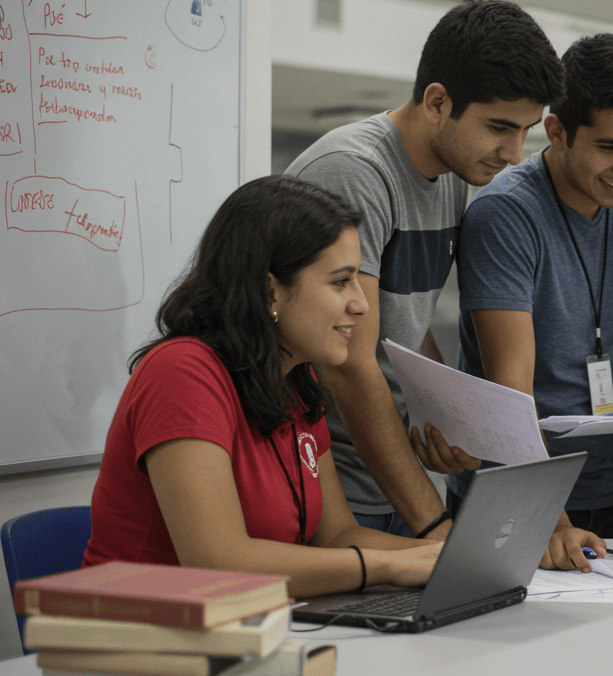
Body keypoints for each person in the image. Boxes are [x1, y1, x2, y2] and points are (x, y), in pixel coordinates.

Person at [285, 0, 565, 539]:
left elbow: (402, 328)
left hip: (392, 482)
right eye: (499, 128)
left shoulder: (457, 174)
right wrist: (434, 523)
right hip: (331, 492)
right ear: (437, 101)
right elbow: (350, 367)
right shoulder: (354, 172)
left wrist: (443, 416)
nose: (513, 152)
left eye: (526, 130)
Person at [83, 177, 442, 598]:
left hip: (250, 626)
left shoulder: (295, 376)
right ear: (270, 291)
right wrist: (390, 565)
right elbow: (218, 562)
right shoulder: (182, 373)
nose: (361, 304)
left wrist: (448, 558)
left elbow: (336, 535)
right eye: (341, 281)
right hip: (144, 636)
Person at [416, 34, 613, 572]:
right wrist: (550, 521)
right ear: (556, 131)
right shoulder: (505, 214)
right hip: (514, 491)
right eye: (609, 147)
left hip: (605, 484)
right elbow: (511, 388)